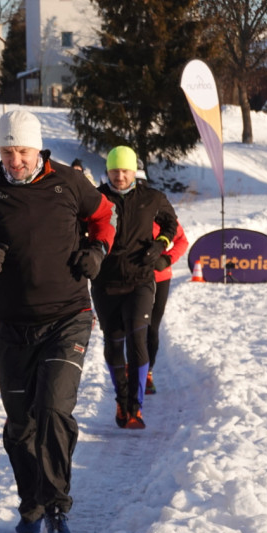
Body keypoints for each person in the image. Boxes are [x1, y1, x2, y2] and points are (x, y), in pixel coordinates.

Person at [0, 109, 116, 533]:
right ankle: (31, 503)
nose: (14, 159)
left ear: (37, 148)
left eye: (21, 150)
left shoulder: (68, 183)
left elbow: (105, 218)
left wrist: (96, 251)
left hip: (68, 317)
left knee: (54, 411)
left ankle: (57, 505)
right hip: (9, 325)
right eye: (6, 150)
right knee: (20, 422)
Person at [90, 145, 179, 429]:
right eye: (115, 170)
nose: (119, 176)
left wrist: (160, 245)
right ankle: (121, 399)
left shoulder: (151, 198)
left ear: (134, 171)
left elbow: (170, 224)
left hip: (140, 279)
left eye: (125, 170)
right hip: (106, 282)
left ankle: (136, 407)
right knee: (113, 342)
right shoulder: (97, 198)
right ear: (108, 172)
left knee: (137, 340)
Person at [146, 220, 189, 394]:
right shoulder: (129, 209)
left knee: (151, 327)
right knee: (131, 327)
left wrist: (167, 258)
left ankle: (146, 372)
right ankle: (130, 369)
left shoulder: (160, 212)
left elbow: (182, 240)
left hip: (160, 277)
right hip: (129, 277)